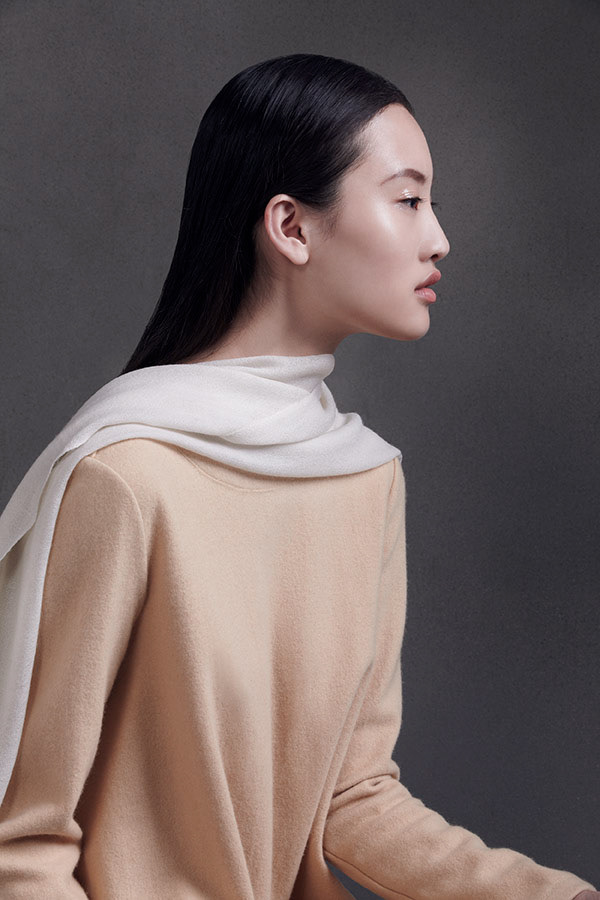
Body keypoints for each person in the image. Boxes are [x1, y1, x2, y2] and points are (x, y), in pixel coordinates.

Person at [0, 52, 596, 899]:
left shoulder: (366, 479)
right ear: (290, 226)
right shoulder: (125, 476)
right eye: (409, 200)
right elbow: (19, 845)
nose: (439, 238)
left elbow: (353, 797)